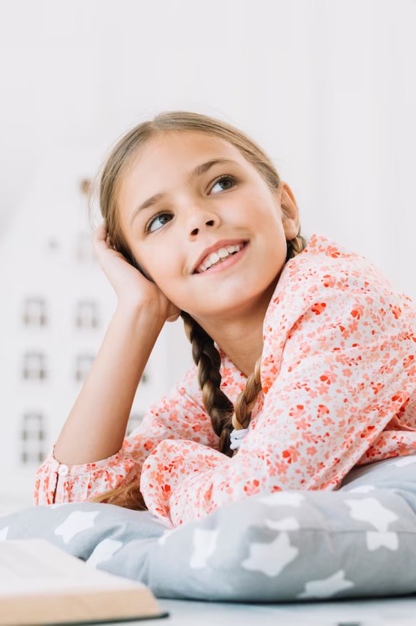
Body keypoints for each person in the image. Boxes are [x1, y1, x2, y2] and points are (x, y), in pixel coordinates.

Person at [34, 111, 416, 527]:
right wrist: (137, 311)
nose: (199, 218)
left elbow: (259, 497)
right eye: (160, 220)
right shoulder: (223, 379)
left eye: (221, 184)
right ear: (145, 274)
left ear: (285, 209)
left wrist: (171, 468)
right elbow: (68, 507)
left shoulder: (342, 303)